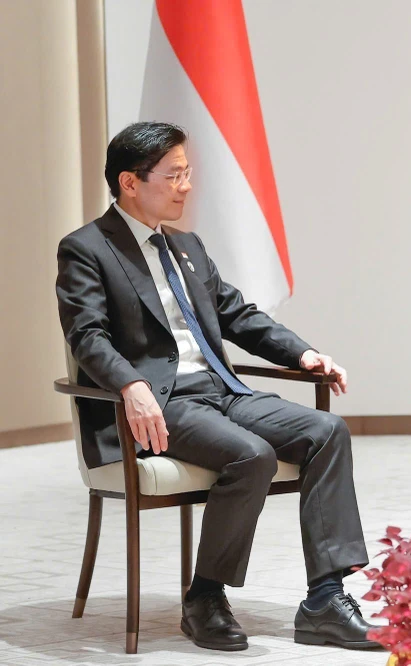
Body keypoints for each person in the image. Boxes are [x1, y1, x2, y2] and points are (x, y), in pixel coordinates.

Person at [56, 122, 380, 652]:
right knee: (249, 456)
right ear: (130, 183)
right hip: (161, 402)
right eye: (175, 175)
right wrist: (130, 384)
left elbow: (237, 314)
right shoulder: (86, 248)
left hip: (222, 390)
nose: (186, 186)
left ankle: (325, 598)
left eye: (188, 173)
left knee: (327, 430)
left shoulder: (186, 245)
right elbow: (87, 336)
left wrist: (303, 353)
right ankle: (205, 596)